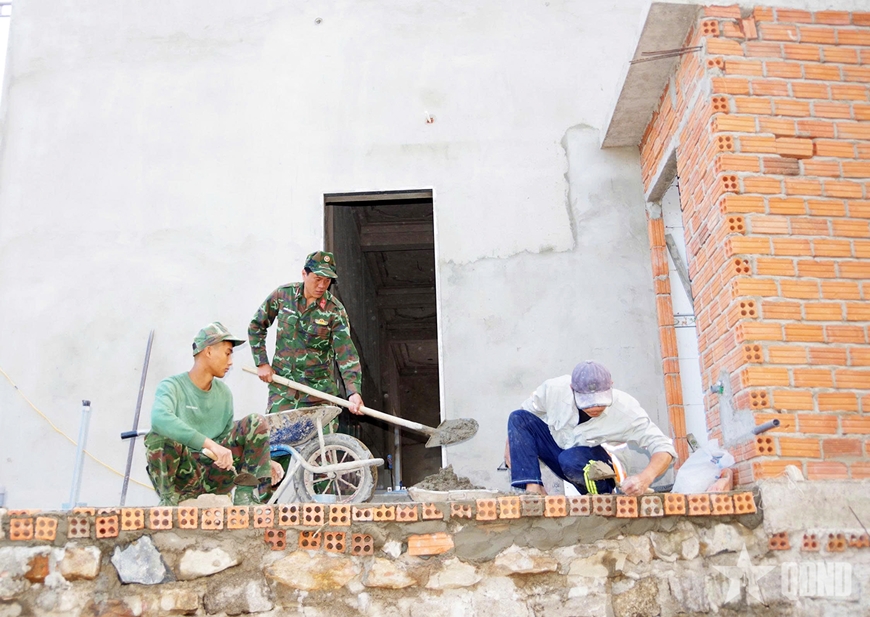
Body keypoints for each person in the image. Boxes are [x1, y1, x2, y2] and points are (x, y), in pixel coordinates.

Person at [144, 322, 283, 506]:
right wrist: (209, 444)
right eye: (227, 353)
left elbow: (229, 443)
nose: (231, 362)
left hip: (216, 478)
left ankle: (245, 497)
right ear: (208, 351)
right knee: (159, 435)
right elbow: (159, 419)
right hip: (183, 481)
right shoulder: (172, 386)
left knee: (255, 422)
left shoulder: (224, 394)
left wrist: (263, 460)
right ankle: (169, 500)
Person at [505, 361, 676, 496]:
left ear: (611, 386)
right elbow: (523, 416)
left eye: (600, 400)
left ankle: (599, 498)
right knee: (518, 418)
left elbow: (663, 447)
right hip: (561, 454)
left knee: (570, 458)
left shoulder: (626, 409)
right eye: (587, 401)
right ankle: (534, 491)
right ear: (572, 389)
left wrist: (645, 478)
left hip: (599, 470)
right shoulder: (553, 390)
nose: (594, 407)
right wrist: (511, 447)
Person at [248, 251, 365, 420]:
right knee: (276, 435)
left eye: (327, 281)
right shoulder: (283, 296)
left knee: (324, 437)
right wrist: (262, 363)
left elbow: (346, 354)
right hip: (283, 391)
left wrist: (353, 392)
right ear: (304, 274)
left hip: (319, 394)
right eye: (318, 279)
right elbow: (257, 326)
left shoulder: (335, 311)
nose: (322, 285)